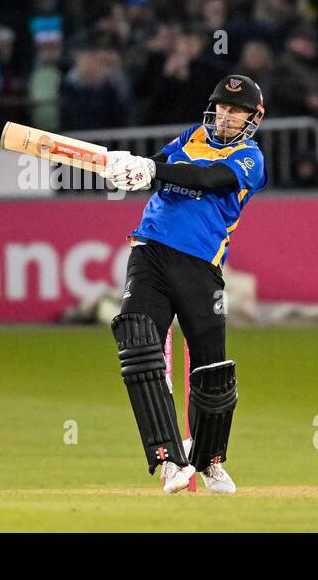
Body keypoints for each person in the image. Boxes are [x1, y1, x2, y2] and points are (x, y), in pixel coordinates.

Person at [101, 74, 269, 495]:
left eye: (236, 111)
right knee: (137, 344)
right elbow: (159, 168)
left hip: (200, 266)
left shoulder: (251, 157)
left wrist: (155, 168)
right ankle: (171, 460)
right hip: (150, 252)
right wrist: (134, 171)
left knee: (212, 369)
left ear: (253, 118)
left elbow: (208, 180)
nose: (226, 116)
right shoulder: (192, 135)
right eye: (222, 108)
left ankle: (209, 461)